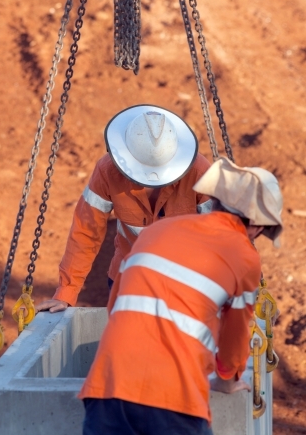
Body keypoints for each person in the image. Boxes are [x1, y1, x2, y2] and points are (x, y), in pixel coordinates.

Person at [79, 156, 283, 435]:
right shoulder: (244, 255)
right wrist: (226, 380)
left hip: (106, 388)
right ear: (258, 227)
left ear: (216, 201)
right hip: (174, 399)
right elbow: (235, 338)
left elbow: (116, 304)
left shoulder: (156, 231)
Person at [36, 104, 212, 313]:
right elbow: (86, 231)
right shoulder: (107, 171)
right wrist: (66, 292)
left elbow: (225, 235)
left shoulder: (199, 171)